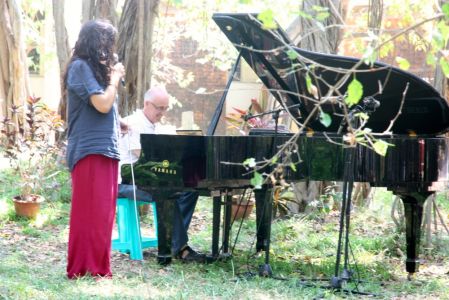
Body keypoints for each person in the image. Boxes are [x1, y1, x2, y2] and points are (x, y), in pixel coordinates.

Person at [63, 19, 126, 279]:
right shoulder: (78, 67)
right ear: (95, 42)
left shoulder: (93, 70)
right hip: (89, 150)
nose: (109, 50)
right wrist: (115, 79)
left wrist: (117, 122)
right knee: (87, 213)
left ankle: (99, 268)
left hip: (106, 149)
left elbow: (105, 109)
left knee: (103, 213)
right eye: (106, 43)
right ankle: (81, 268)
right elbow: (101, 103)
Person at [118, 86, 205, 263]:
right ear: (147, 104)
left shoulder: (152, 125)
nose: (162, 113)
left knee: (190, 189)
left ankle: (173, 241)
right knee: (167, 192)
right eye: (159, 108)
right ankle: (181, 249)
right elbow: (142, 157)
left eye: (165, 108)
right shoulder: (134, 123)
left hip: (148, 178)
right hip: (127, 181)